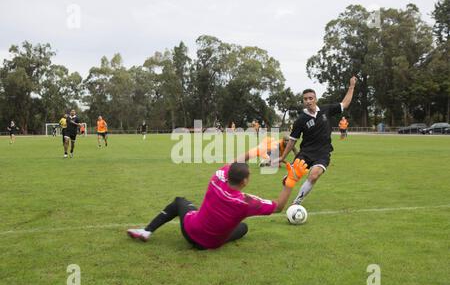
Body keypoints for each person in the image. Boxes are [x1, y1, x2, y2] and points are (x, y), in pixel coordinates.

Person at [127, 153, 309, 249]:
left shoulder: (217, 178)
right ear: (245, 181)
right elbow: (278, 207)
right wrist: (290, 182)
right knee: (243, 228)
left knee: (179, 202)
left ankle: (146, 231)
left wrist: (255, 151)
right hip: (211, 244)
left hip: (190, 231)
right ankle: (214, 235)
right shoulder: (247, 202)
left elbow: (233, 163)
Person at [274, 76, 356, 205]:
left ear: (315, 99)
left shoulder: (325, 110)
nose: (308, 101)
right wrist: (282, 156)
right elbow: (292, 141)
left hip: (323, 153)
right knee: (292, 178)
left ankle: (296, 203)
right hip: (306, 153)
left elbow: (344, 104)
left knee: (313, 175)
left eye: (310, 98)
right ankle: (288, 179)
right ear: (303, 101)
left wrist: (351, 86)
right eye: (305, 99)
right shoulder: (301, 120)